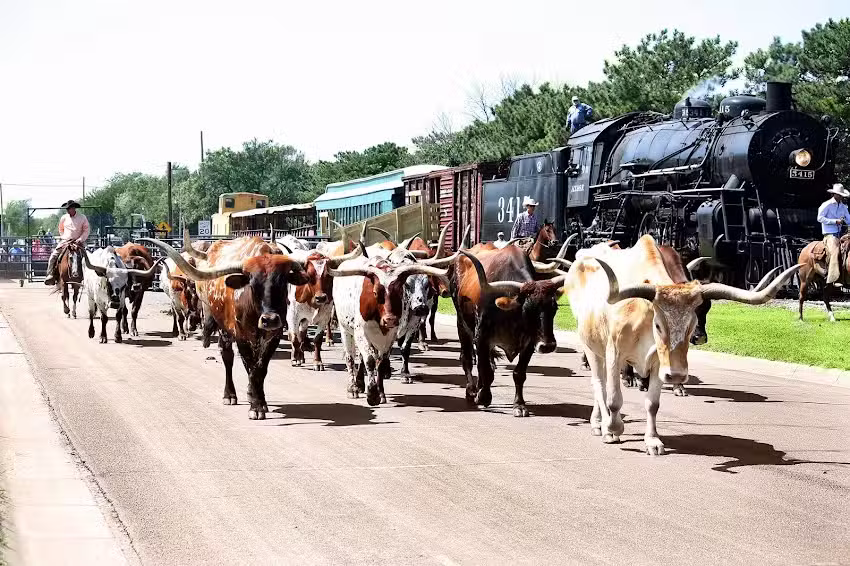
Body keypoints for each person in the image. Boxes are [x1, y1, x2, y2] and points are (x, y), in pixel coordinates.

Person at [44, 200, 90, 285]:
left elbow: (86, 230)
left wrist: (80, 239)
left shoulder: (82, 217)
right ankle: (50, 275)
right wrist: (64, 238)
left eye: (69, 208)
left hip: (79, 242)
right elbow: (61, 229)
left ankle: (90, 277)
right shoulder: (64, 218)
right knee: (53, 256)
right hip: (65, 242)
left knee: (89, 257)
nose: (68, 210)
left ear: (74, 208)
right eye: (67, 209)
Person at [816, 184, 850, 286]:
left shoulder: (844, 207)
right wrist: (834, 221)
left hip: (840, 234)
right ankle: (834, 278)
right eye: (839, 195)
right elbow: (820, 218)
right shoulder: (826, 205)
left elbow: (848, 219)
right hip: (829, 235)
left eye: (841, 195)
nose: (840, 197)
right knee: (835, 251)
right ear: (834, 194)